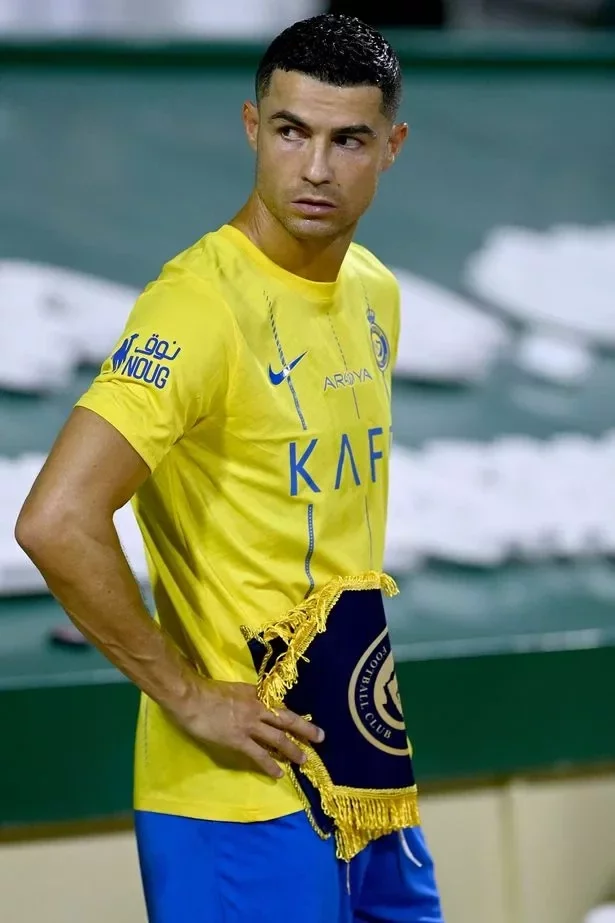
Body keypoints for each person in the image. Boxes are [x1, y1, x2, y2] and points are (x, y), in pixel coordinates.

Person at [15, 13, 443, 923]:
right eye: (291, 132)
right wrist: (185, 693)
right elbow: (55, 519)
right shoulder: (194, 308)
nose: (316, 168)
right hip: (233, 793)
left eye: (347, 140)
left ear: (391, 147)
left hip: (363, 772)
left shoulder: (373, 291)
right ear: (253, 127)